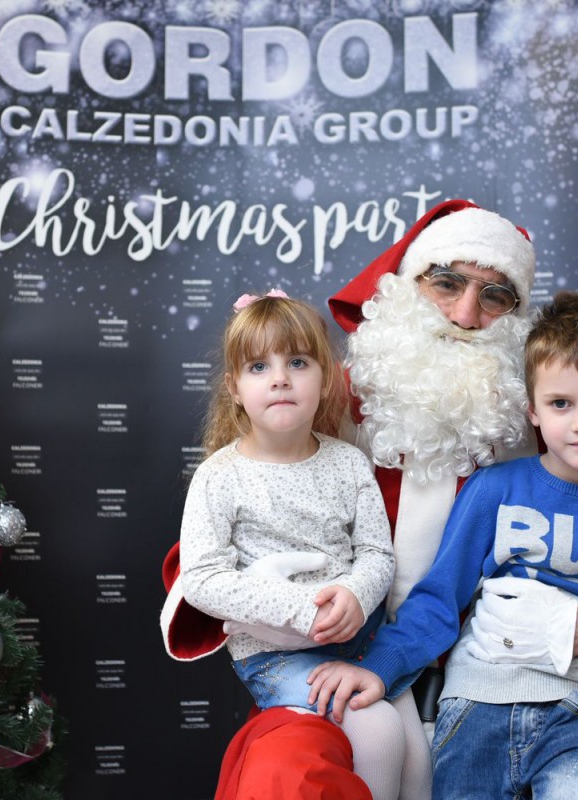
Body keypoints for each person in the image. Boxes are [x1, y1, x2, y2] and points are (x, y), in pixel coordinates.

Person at [159, 199, 578, 799]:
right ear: (403, 286)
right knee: (286, 772)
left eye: (495, 296)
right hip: (349, 663)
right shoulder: (321, 403)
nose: (466, 314)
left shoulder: (574, 432)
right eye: (446, 283)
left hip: (552, 692)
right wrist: (284, 600)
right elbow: (215, 544)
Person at [308, 291, 578, 798]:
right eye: (561, 404)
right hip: (479, 702)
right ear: (532, 409)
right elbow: (439, 601)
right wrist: (380, 669)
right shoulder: (495, 491)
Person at [174, 292, 414, 799]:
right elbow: (202, 579)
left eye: (298, 363)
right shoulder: (220, 476)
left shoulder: (348, 463)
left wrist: (355, 595)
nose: (280, 378)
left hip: (360, 639)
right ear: (234, 388)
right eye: (259, 366)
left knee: (418, 761)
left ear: (326, 380)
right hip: (275, 655)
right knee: (378, 729)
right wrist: (303, 609)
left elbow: (376, 553)